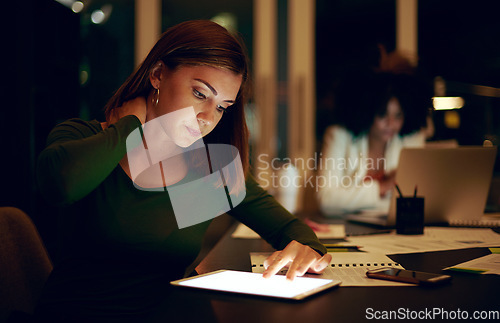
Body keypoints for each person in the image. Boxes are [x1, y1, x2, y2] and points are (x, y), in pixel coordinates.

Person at [35, 20, 331, 321]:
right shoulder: (83, 137)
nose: (207, 117)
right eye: (200, 94)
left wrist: (307, 250)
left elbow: (290, 230)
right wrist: (129, 127)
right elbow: (60, 185)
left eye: (222, 107)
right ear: (158, 75)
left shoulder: (208, 170)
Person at [317, 71, 431, 216]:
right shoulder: (338, 136)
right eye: (383, 114)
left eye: (398, 115)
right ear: (368, 112)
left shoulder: (409, 140)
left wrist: (352, 200)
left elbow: (418, 201)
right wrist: (381, 188)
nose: (391, 123)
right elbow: (326, 200)